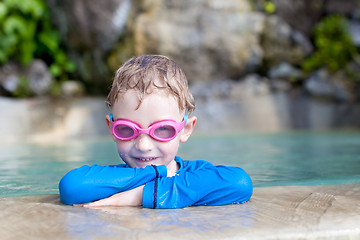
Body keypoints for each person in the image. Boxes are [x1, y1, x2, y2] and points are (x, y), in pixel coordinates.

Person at [59, 55, 253, 209]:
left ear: (185, 130)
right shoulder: (112, 177)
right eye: (127, 129)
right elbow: (72, 186)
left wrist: (140, 195)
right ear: (112, 129)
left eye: (162, 130)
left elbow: (240, 182)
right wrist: (160, 174)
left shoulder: (197, 173)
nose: (143, 146)